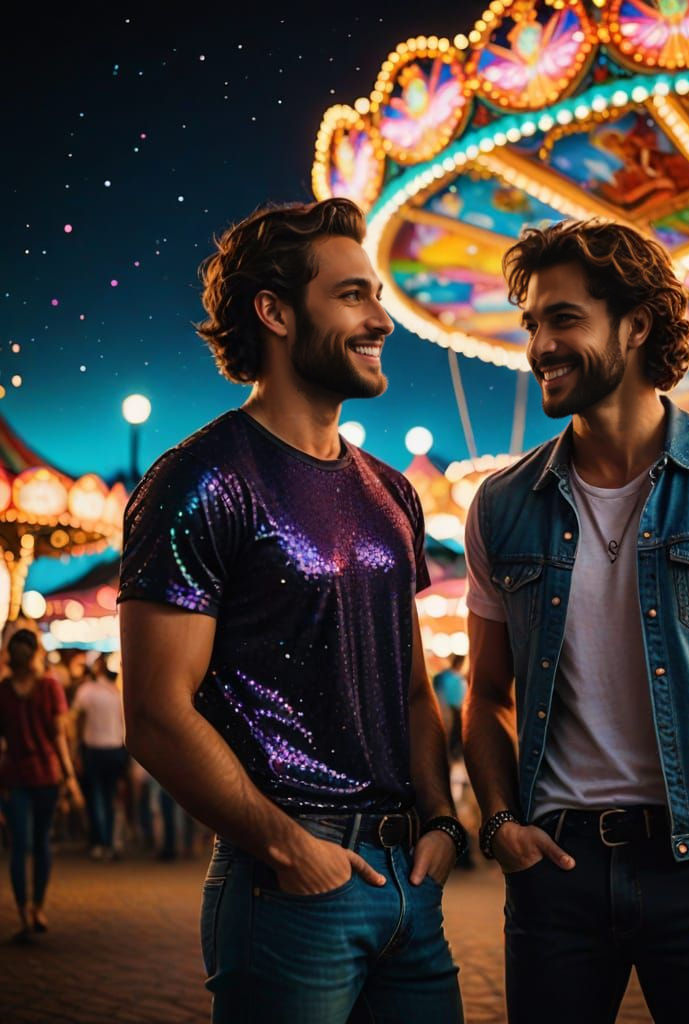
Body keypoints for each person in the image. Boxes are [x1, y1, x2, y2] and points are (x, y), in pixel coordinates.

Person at [463, 220, 689, 1024]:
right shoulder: (501, 506)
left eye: (563, 319)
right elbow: (486, 691)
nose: (538, 347)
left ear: (635, 326)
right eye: (532, 323)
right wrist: (498, 826)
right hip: (554, 867)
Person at [118, 197, 465, 1022]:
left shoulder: (392, 493)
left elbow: (412, 689)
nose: (381, 317)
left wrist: (445, 824)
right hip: (290, 884)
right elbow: (158, 714)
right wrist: (286, 848)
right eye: (352, 296)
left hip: (409, 882)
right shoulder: (200, 479)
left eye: (377, 294)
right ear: (274, 312)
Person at [0, 629, 83, 942]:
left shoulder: (4, 691)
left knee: (19, 847)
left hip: (15, 777)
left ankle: (24, 913)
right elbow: (59, 737)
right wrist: (70, 778)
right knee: (41, 843)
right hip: (46, 775)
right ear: (36, 652)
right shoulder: (49, 687)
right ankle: (37, 908)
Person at [72, 656, 127, 860]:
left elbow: (76, 718)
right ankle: (111, 842)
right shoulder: (117, 692)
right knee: (111, 796)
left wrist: (76, 748)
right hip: (115, 748)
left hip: (94, 749)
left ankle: (101, 842)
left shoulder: (86, 691)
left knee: (96, 797)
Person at [432, 654, 468, 759]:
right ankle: (450, 752)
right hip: (447, 708)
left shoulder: (458, 677)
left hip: (456, 708)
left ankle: (453, 752)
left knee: (456, 731)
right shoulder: (446, 676)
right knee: (451, 731)